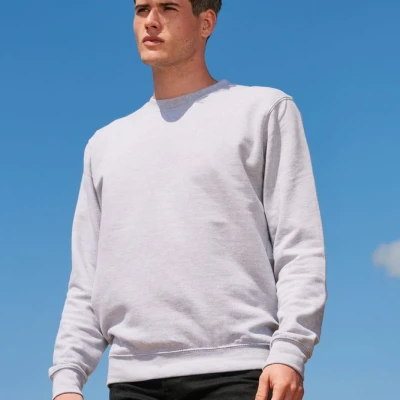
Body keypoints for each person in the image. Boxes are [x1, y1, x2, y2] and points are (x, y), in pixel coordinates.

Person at [49, 1, 327, 400]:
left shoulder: (263, 111)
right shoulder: (105, 144)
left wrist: (290, 351)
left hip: (241, 373)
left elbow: (299, 245)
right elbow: (87, 280)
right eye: (141, 9)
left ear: (206, 22)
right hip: (132, 381)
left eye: (168, 8)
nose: (151, 21)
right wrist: (67, 379)